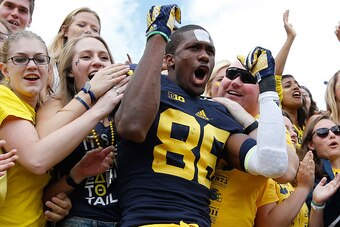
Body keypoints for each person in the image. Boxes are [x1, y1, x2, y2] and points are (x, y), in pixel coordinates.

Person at [115, 5, 288, 226]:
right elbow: (132, 126)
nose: (204, 56)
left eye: (210, 51)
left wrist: (267, 85)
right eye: (194, 48)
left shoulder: (219, 113)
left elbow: (272, 163)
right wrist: (158, 34)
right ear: (170, 60)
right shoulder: (145, 83)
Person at [0, 30, 122, 226]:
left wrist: (67, 188)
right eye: (20, 59)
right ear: (4, 70)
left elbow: (38, 191)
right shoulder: (3, 98)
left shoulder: (34, 113)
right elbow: (37, 159)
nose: (32, 65)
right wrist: (95, 104)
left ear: (49, 70)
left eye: (40, 60)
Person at [36, 35, 130, 226]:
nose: (97, 61)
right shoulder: (57, 103)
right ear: (70, 70)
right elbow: (41, 146)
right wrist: (92, 96)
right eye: (86, 57)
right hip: (78, 218)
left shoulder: (127, 105)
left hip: (126, 218)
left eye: (104, 58)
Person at [300, 114, 340, 227]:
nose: (332, 135)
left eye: (337, 130)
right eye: (323, 132)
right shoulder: (309, 180)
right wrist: (317, 204)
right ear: (311, 144)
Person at [48, 7, 101, 92]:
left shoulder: (101, 67)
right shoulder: (47, 64)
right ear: (65, 30)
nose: (88, 31)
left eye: (95, 30)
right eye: (81, 25)